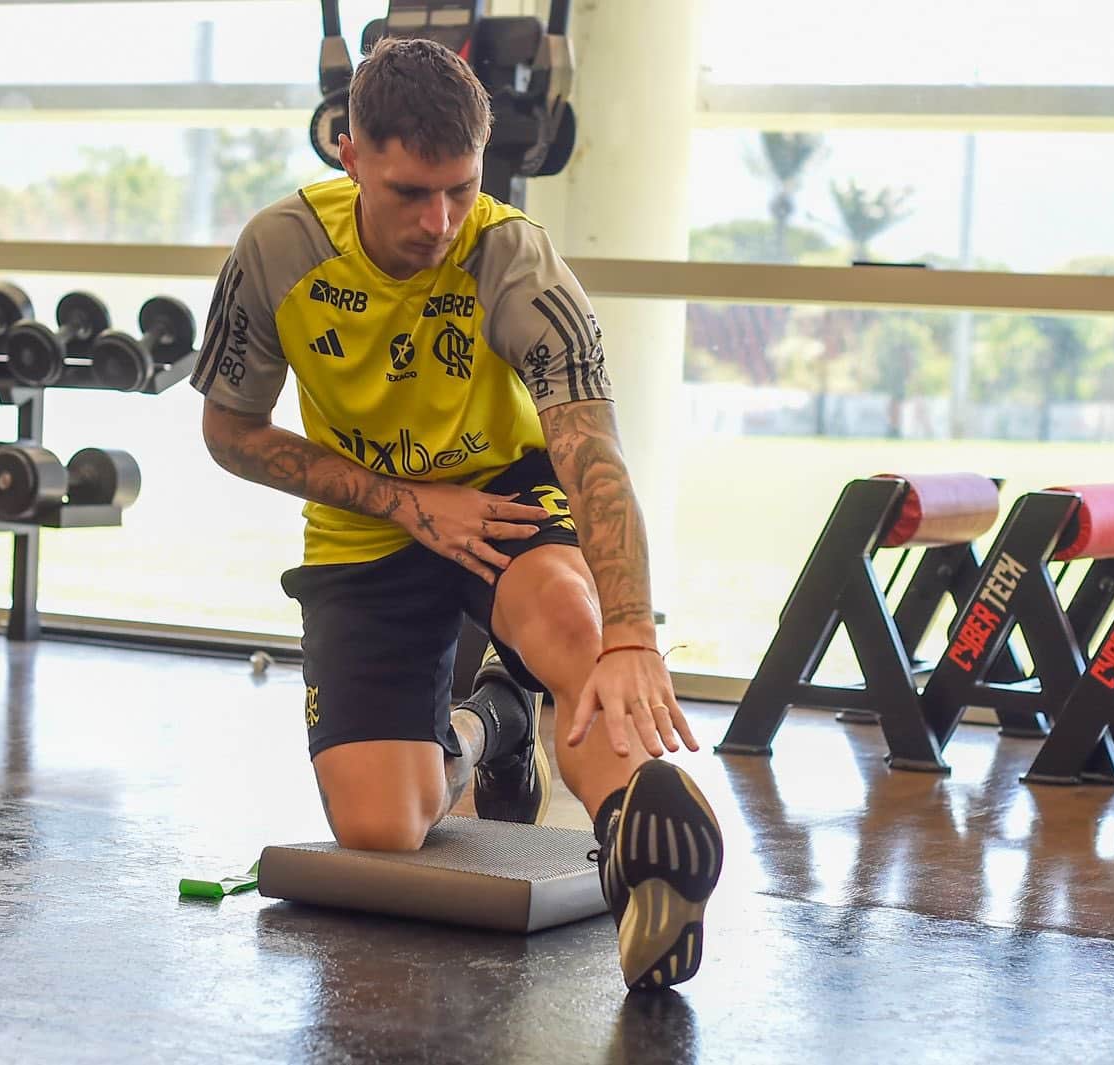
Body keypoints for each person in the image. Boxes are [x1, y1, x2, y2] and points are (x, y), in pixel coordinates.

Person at [190, 35, 724, 991]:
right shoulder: (280, 249)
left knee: (573, 629)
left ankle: (637, 841)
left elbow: (589, 450)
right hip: (365, 526)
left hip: (504, 497)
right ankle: (494, 724)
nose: (439, 220)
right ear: (350, 155)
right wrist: (407, 503)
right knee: (381, 826)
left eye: (460, 189)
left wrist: (631, 634)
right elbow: (230, 432)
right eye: (409, 192)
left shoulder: (512, 256)